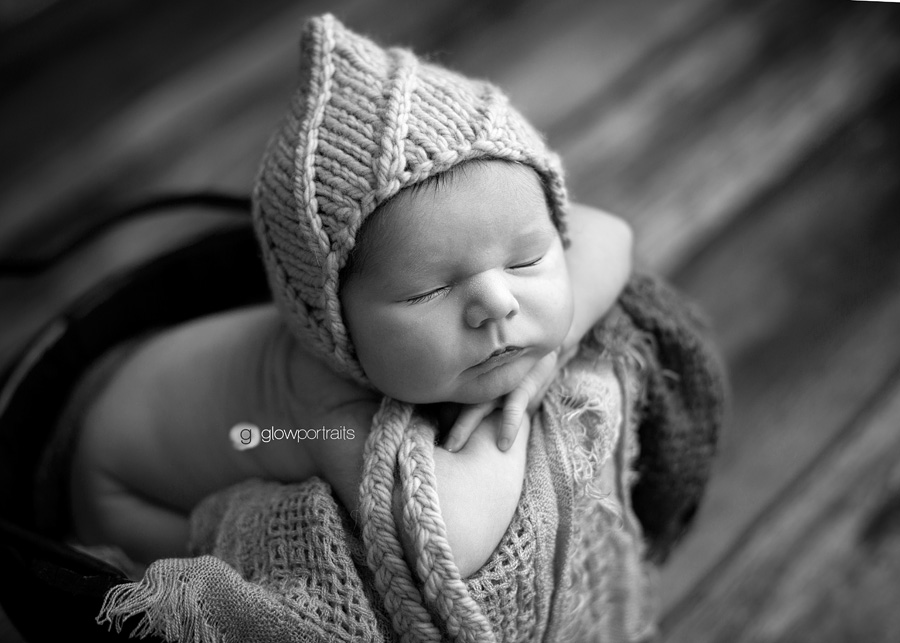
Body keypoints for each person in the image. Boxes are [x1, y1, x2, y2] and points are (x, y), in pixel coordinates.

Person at [61, 15, 634, 580]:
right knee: (267, 575)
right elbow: (449, 541)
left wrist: (550, 353)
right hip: (121, 490)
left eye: (526, 260)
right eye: (428, 291)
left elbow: (611, 233)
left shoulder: (476, 243)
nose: (500, 302)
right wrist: (508, 421)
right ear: (337, 327)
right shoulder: (327, 409)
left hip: (142, 380)